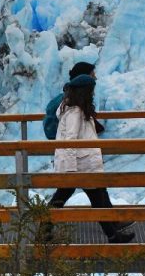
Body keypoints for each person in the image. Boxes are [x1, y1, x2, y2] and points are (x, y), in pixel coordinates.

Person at [43, 74, 135, 244]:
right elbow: (70, 140)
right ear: (85, 92)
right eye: (91, 91)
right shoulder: (75, 112)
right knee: (71, 198)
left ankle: (113, 235)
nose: (93, 94)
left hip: (82, 165)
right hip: (79, 166)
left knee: (92, 198)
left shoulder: (78, 109)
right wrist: (71, 170)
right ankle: (113, 236)